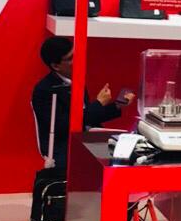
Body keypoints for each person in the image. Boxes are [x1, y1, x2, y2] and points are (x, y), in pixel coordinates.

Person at [31, 36, 133, 169]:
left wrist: (117, 105)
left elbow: (88, 117)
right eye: (70, 58)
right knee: (114, 161)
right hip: (64, 145)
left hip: (88, 138)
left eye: (76, 54)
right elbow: (64, 125)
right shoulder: (44, 90)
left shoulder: (76, 80)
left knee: (131, 154)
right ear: (56, 66)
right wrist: (98, 103)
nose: (77, 60)